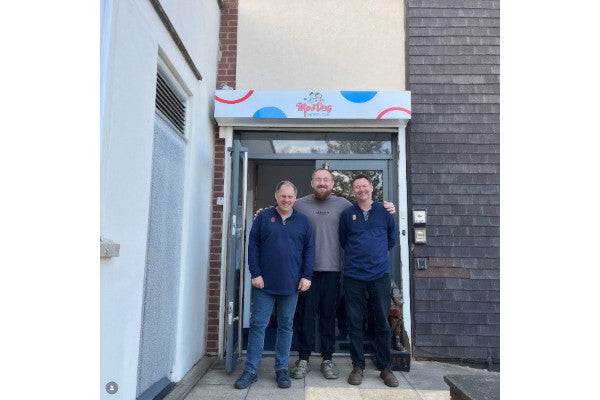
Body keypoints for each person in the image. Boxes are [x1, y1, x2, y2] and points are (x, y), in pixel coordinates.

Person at [287, 168, 396, 380]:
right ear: (312, 183)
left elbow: (390, 239)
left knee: (334, 318)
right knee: (308, 317)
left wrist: (388, 206)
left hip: (339, 271)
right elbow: (281, 208)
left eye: (326, 179)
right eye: (318, 179)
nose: (322, 183)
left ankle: (333, 359)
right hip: (309, 272)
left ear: (332, 183)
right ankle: (307, 359)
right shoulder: (300, 204)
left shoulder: (347, 206)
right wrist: (261, 212)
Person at [234, 181, 314, 390]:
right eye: (283, 196)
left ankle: (281, 369)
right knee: (258, 326)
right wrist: (256, 274)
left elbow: (309, 249)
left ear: (295, 198)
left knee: (286, 327)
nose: (286, 200)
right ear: (276, 196)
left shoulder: (303, 221)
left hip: (291, 285)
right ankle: (250, 370)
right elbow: (253, 246)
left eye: (290, 197)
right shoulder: (263, 217)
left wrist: (306, 276)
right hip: (264, 285)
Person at [338, 175, 399, 387]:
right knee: (354, 321)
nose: (361, 189)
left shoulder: (385, 211)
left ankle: (385, 367)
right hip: (353, 275)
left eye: (365, 185)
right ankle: (358, 366)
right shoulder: (347, 214)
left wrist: (375, 254)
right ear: (353, 191)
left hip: (379, 274)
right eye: (357, 187)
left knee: (382, 321)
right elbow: (344, 241)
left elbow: (391, 239)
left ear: (371, 188)